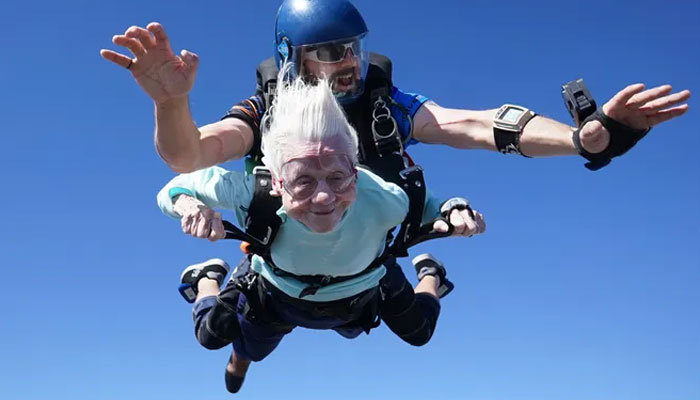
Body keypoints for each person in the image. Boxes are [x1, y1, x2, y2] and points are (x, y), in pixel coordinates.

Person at [156, 74, 486, 393]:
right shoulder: (251, 191)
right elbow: (174, 188)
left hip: (361, 290)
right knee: (213, 335)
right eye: (304, 181)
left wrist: (455, 209)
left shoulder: (385, 196)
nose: (325, 197)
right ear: (276, 182)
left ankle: (432, 276)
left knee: (419, 331)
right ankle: (208, 281)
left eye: (338, 177)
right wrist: (191, 207)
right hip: (276, 290)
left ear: (356, 173)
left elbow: (425, 202)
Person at [101, 0, 690, 175]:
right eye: (329, 53)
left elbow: (480, 125)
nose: (348, 64)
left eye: (352, 49)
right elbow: (190, 154)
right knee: (255, 327)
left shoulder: (385, 106)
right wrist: (172, 103)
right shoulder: (267, 108)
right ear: (291, 59)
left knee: (393, 319)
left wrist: (584, 140)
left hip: (365, 254)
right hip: (284, 252)